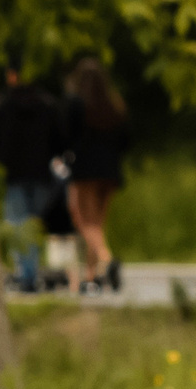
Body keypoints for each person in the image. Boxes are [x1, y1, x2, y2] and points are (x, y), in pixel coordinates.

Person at [0, 66, 68, 291]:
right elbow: (61, 140)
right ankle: (31, 271)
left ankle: (26, 274)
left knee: (18, 223)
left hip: (11, 174)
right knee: (33, 224)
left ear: (12, 76)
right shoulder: (47, 104)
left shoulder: (2, 106)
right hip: (41, 174)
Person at [61, 58, 130, 292]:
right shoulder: (114, 104)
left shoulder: (77, 104)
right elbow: (126, 140)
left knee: (83, 219)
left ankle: (106, 258)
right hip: (110, 171)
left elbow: (67, 137)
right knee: (98, 224)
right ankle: (91, 275)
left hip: (86, 170)